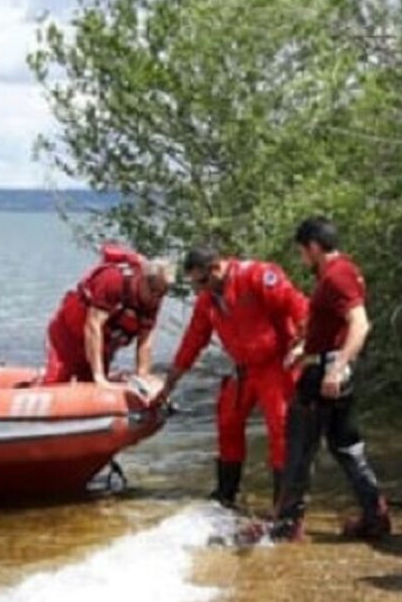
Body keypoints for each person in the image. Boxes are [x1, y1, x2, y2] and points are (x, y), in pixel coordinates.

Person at [158, 247, 308, 507]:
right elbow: (193, 341)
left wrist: (303, 346)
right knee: (227, 419)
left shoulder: (258, 276)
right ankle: (226, 494)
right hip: (245, 366)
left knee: (281, 429)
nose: (199, 289)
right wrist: (170, 382)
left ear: (217, 268)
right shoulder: (209, 299)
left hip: (276, 363)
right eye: (194, 284)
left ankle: (285, 504)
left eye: (202, 282)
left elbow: (300, 308)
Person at [272, 216, 390, 541]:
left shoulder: (337, 277)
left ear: (313, 247)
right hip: (331, 368)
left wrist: (334, 367)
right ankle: (375, 516)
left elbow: (360, 324)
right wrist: (302, 349)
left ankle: (286, 525)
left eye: (301, 252)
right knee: (346, 446)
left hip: (324, 376)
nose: (301, 258)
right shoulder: (345, 270)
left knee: (299, 448)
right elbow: (334, 326)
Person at [43, 244, 174, 387]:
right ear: (142, 278)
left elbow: (145, 341)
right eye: (153, 290)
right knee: (57, 381)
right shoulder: (113, 281)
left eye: (162, 293)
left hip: (102, 347)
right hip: (68, 336)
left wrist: (143, 375)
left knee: (93, 388)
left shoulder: (152, 303)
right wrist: (98, 375)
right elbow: (93, 326)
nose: (156, 298)